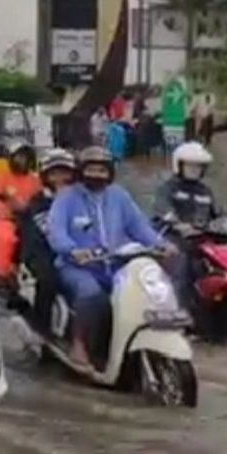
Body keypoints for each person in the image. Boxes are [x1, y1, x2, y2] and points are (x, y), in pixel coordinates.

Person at [47, 146, 176, 370]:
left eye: (101, 170)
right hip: (77, 267)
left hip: (114, 264)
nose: (96, 175)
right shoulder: (67, 198)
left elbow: (139, 227)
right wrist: (72, 250)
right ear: (81, 171)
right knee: (91, 294)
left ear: (110, 172)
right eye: (91, 170)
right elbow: (55, 231)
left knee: (141, 291)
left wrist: (161, 245)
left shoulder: (119, 196)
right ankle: (80, 345)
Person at [155, 141, 223, 318]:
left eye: (199, 166)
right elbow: (162, 209)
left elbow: (220, 214)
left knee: (225, 263)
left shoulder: (206, 191)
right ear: (179, 165)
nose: (195, 170)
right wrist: (178, 223)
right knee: (182, 266)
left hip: (202, 240)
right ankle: (179, 312)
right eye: (190, 165)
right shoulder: (169, 188)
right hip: (175, 239)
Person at [17, 148, 76, 331]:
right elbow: (48, 231)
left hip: (75, 250)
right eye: (55, 174)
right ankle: (41, 329)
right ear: (45, 176)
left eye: (65, 173)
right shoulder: (39, 202)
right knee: (48, 280)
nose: (60, 179)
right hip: (40, 250)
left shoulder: (83, 198)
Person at [0, 141, 42, 286]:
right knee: (7, 239)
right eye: (18, 157)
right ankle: (2, 275)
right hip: (7, 219)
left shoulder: (35, 179)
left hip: (30, 218)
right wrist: (7, 209)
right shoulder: (2, 176)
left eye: (25, 157)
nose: (22, 160)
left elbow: (40, 199)